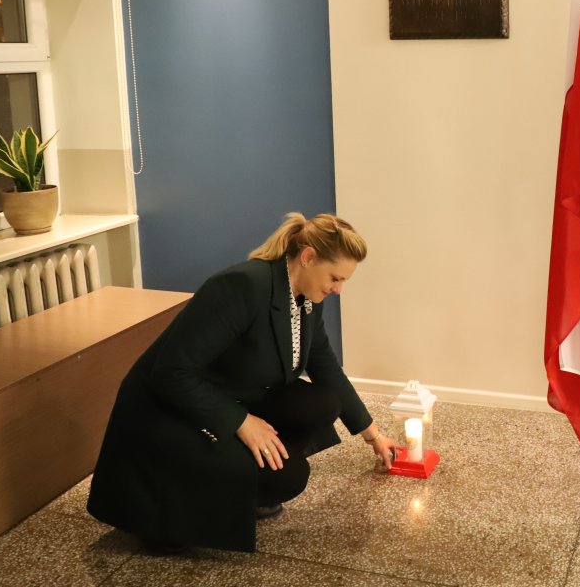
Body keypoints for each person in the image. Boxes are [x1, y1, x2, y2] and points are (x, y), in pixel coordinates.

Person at [87, 212, 395, 553]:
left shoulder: (306, 297)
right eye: (335, 278)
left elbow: (325, 366)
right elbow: (171, 372)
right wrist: (241, 422)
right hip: (167, 412)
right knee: (290, 475)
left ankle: (243, 481)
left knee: (322, 403)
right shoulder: (243, 286)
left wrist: (373, 434)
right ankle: (175, 515)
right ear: (308, 257)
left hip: (224, 394)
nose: (337, 289)